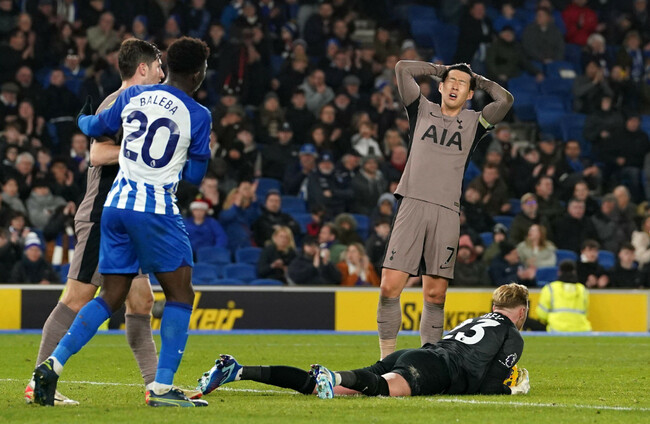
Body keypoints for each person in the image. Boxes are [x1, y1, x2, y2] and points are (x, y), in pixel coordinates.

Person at [32, 37, 212, 408]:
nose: (160, 71)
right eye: (156, 66)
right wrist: (166, 155)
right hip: (133, 210)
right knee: (177, 294)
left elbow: (91, 125)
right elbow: (98, 153)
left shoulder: (134, 98)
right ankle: (159, 387)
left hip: (117, 207)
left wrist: (84, 120)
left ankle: (61, 367)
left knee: (134, 300)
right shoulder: (182, 109)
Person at [378, 60, 513, 358]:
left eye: (462, 84)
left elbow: (505, 100)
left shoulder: (475, 122)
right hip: (412, 203)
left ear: (469, 94)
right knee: (389, 287)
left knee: (435, 294)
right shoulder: (421, 109)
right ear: (440, 87)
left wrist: (477, 79)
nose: (455, 86)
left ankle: (429, 362)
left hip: (447, 212)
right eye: (450, 81)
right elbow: (402, 69)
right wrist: (441, 69)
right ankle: (385, 361)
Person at [196, 283, 531, 398]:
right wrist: (511, 389)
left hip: (415, 354)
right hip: (433, 368)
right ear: (522, 310)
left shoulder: (477, 319)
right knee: (380, 389)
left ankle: (238, 371)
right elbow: (488, 384)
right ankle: (332, 377)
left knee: (322, 388)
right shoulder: (512, 334)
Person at [536, 260, 592, 332]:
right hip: (581, 331)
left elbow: (541, 314)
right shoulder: (582, 289)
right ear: (574, 272)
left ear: (559, 272)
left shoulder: (550, 288)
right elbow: (585, 313)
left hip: (555, 330)